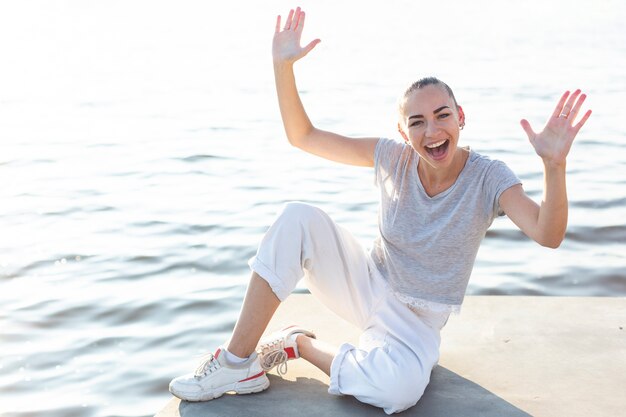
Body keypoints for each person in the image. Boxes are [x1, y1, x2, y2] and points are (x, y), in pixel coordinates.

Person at [169, 7, 592, 414]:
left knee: (397, 391)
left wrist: (554, 166)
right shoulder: (393, 158)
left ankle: (299, 346)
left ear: (461, 117)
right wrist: (284, 67)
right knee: (296, 217)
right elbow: (303, 136)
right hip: (367, 283)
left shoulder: (488, 177)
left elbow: (547, 233)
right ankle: (235, 364)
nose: (432, 130)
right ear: (402, 131)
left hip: (419, 323)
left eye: (442, 115)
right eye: (417, 121)